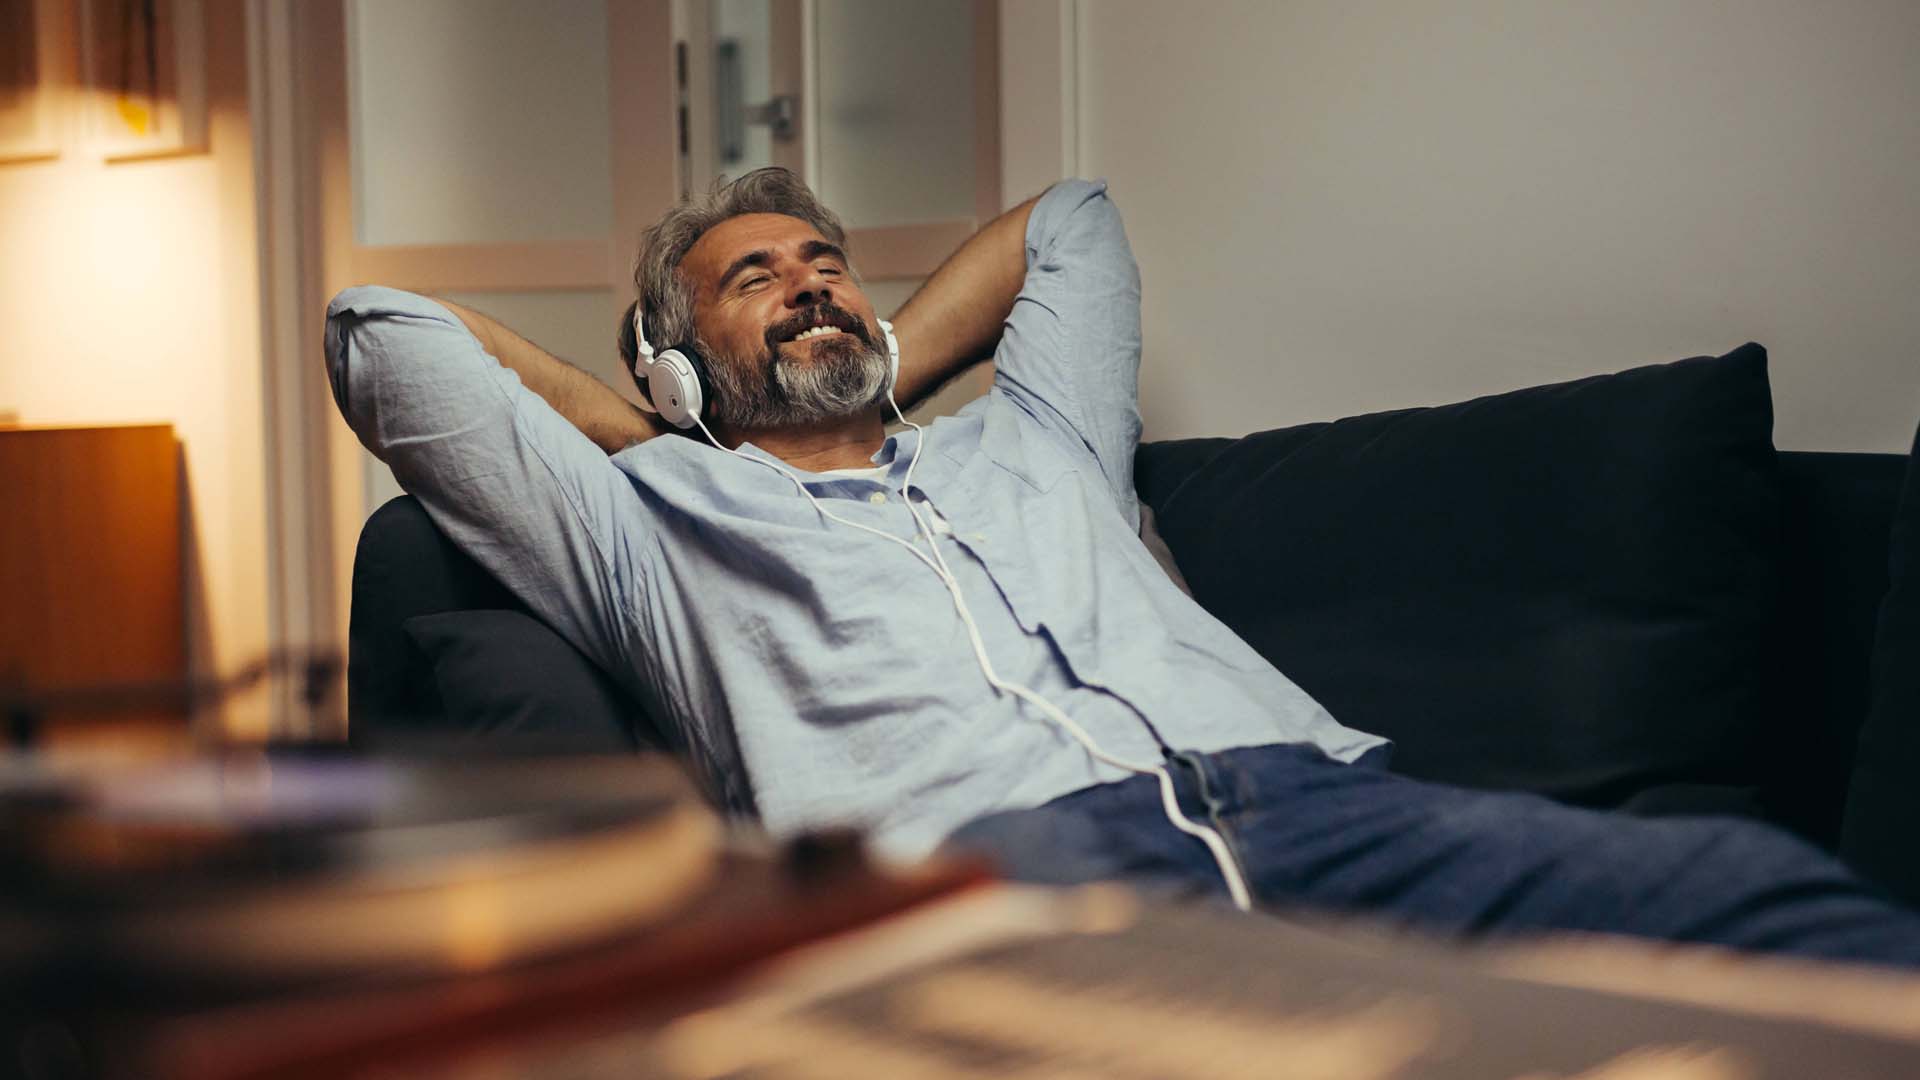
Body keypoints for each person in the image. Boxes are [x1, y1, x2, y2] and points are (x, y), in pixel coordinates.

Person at [328, 168, 1920, 967]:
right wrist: (660, 439)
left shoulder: (1039, 444)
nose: (810, 287)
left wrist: (862, 350)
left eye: (830, 268)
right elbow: (378, 335)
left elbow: (1071, 216)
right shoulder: (652, 529)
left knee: (1775, 910)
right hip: (987, 884)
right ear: (674, 359)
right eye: (757, 282)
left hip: (1331, 806)